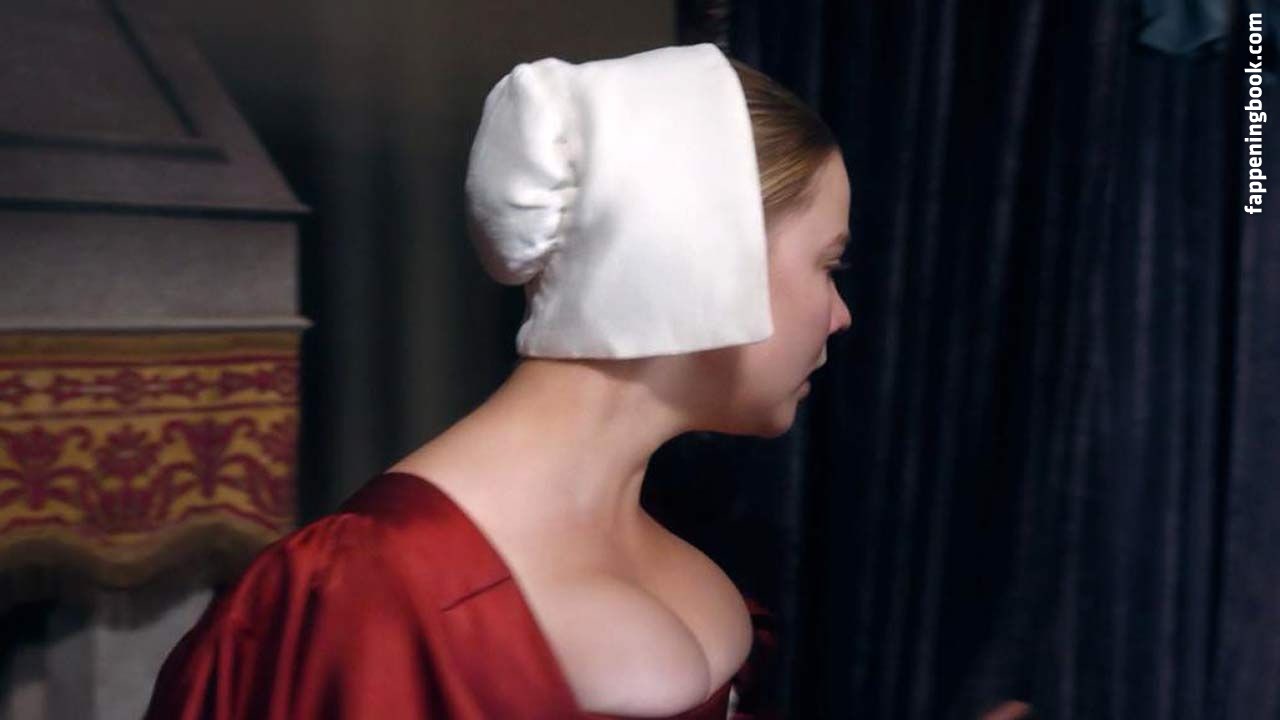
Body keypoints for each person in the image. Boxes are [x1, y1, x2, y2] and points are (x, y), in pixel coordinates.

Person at [143, 43, 851, 719]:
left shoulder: (663, 552)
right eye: (827, 265)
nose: (841, 315)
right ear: (713, 254)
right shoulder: (368, 586)